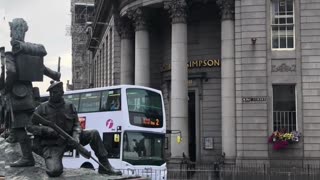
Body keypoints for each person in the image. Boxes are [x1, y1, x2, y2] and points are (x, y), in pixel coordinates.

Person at [27, 81, 122, 177]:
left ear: (62, 93)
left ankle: (105, 165)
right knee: (54, 171)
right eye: (51, 93)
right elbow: (29, 126)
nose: (52, 95)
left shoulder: (70, 106)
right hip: (53, 145)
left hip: (70, 140)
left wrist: (76, 137)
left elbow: (77, 124)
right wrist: (45, 130)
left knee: (94, 133)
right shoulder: (42, 108)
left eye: (55, 92)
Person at [0, 18, 60, 167]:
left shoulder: (11, 54)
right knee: (22, 124)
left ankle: (27, 158)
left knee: (19, 126)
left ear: (13, 31)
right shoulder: (31, 51)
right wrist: (55, 76)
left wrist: (5, 89)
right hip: (28, 95)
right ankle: (13, 138)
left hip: (16, 95)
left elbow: (12, 72)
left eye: (11, 30)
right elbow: (44, 68)